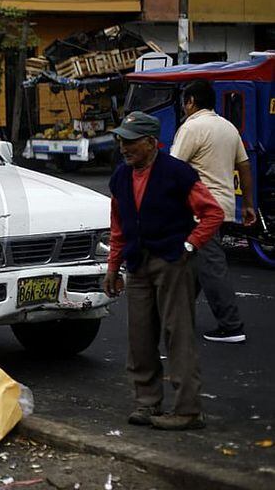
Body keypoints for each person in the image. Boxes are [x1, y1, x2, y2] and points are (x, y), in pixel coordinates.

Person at [102, 111, 224, 431]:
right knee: (140, 336)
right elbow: (118, 226)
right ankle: (147, 402)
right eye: (120, 142)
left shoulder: (177, 173)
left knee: (177, 333)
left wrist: (189, 246)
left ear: (151, 142)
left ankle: (188, 410)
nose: (124, 148)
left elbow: (212, 213)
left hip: (172, 262)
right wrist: (113, 266)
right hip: (137, 262)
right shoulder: (120, 177)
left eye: (130, 142)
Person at [170, 79, 256, 343]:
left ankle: (231, 326)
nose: (184, 108)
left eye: (185, 102)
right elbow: (244, 167)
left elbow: (173, 168)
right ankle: (177, 315)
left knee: (211, 265)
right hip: (224, 205)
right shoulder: (228, 128)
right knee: (192, 262)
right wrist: (249, 205)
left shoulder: (192, 127)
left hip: (200, 208)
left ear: (191, 102)